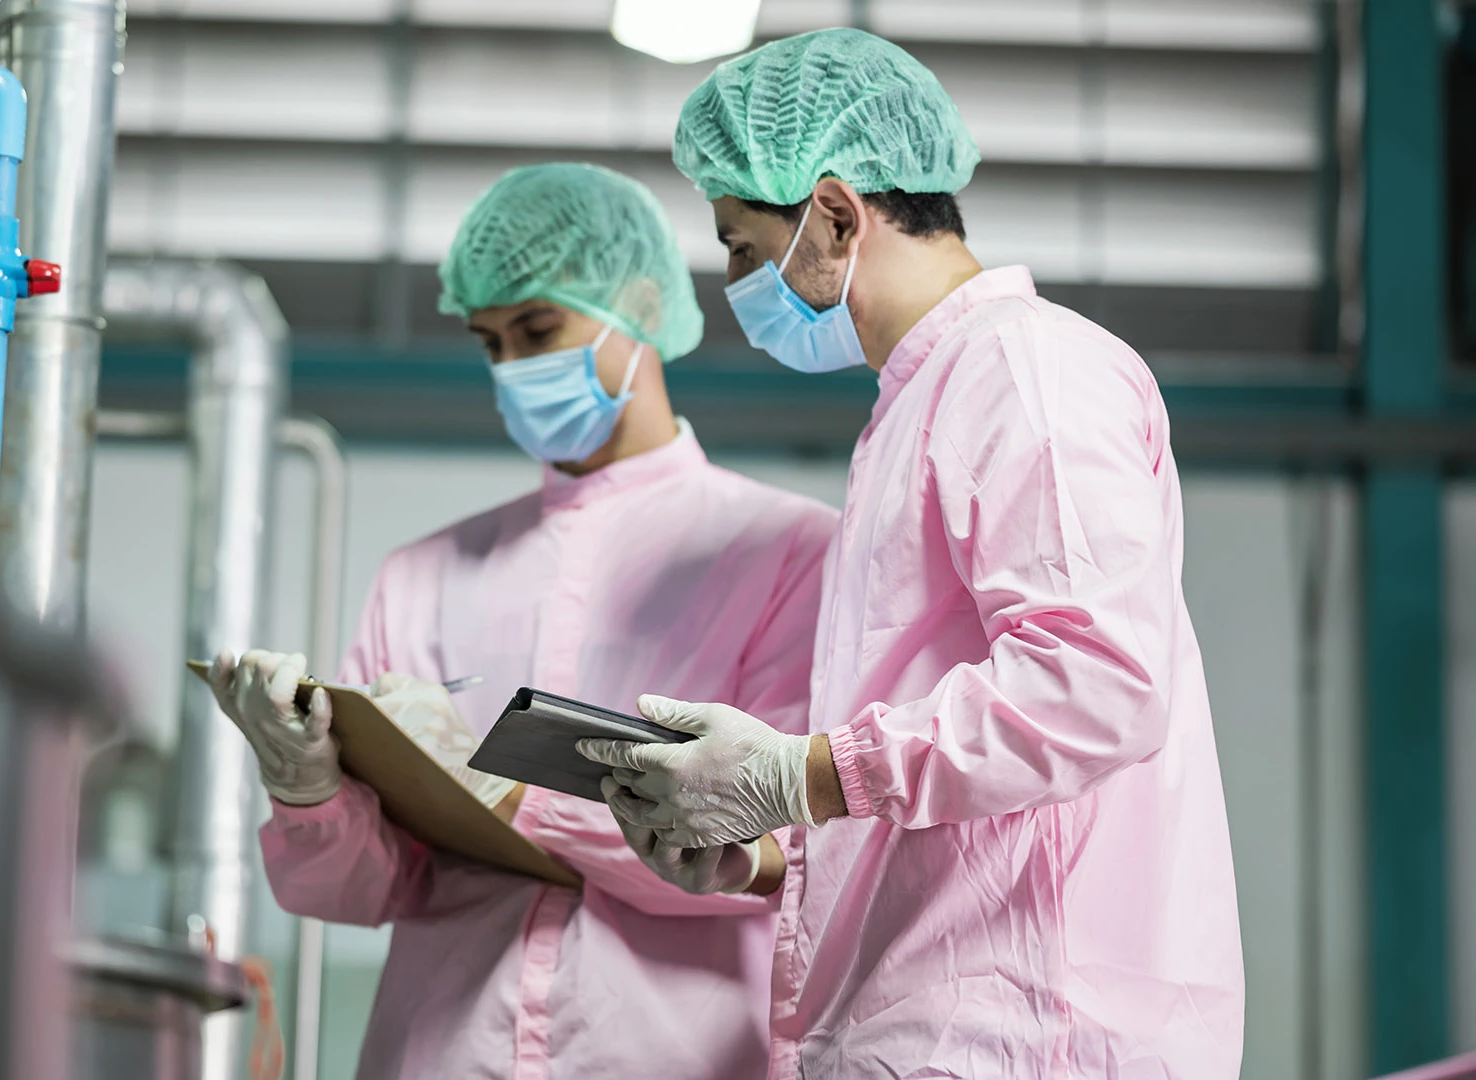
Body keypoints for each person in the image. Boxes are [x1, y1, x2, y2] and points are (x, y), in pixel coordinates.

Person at [578, 29, 1245, 1079]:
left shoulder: (1025, 371)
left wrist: (798, 771)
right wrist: (758, 851)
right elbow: (938, 793)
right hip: (941, 1024)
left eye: (745, 249)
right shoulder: (921, 407)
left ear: (837, 214)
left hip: (1031, 1032)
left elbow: (1097, 684)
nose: (737, 283)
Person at [205, 162, 841, 1079]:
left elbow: (786, 865)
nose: (514, 367)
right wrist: (307, 789)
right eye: (491, 341)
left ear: (642, 305)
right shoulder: (420, 577)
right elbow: (364, 890)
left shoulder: (788, 554)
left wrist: (503, 790)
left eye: (539, 329)